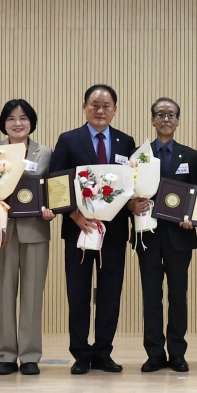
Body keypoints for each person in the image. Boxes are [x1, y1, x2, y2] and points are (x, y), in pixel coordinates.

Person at [49, 84, 136, 375]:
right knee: (78, 293)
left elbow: (131, 185)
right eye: (94, 105)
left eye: (106, 106)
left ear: (115, 109)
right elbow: (56, 183)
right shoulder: (68, 140)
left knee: (110, 292)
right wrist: (75, 215)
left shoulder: (126, 142)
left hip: (114, 232)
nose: (100, 111)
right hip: (79, 230)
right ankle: (80, 354)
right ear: (84, 107)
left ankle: (103, 352)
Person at [128, 98, 197, 373]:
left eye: (171, 115)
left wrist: (192, 217)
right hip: (147, 234)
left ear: (178, 121)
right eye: (160, 114)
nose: (166, 119)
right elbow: (126, 193)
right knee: (151, 295)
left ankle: (178, 352)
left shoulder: (190, 155)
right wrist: (131, 205)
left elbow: (196, 193)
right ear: (152, 120)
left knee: (178, 296)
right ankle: (154, 353)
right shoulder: (137, 155)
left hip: (179, 236)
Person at [0, 99, 54, 376]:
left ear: (32, 123)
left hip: (35, 229)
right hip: (1, 229)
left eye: (23, 118)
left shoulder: (45, 153)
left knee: (32, 294)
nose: (17, 123)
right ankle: (5, 355)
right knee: (4, 293)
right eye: (11, 118)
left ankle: (29, 355)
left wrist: (52, 208)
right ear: (4, 123)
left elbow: (53, 189)